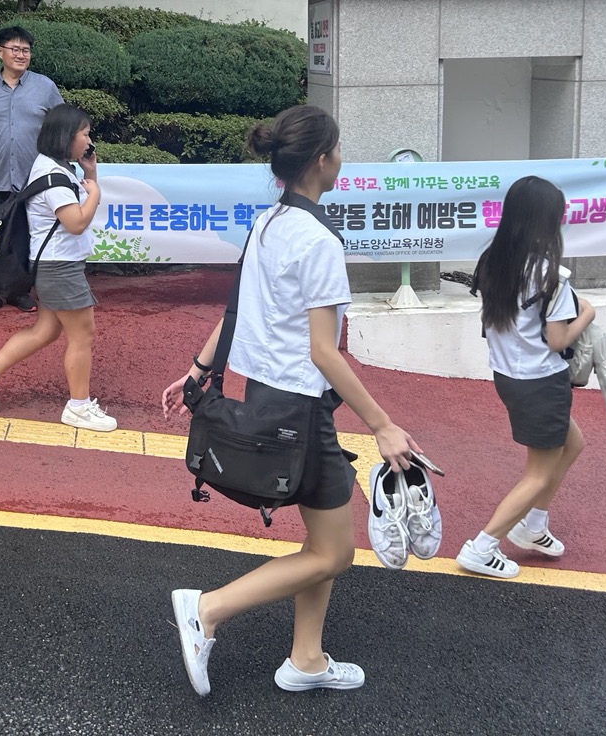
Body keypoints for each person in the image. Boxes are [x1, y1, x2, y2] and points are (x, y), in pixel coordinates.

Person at [160, 105, 421, 697]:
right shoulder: (319, 239)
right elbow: (325, 353)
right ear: (323, 160)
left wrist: (199, 370)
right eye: (339, 149)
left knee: (320, 544)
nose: (341, 159)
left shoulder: (268, 222)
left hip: (269, 397)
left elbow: (236, 313)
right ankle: (208, 609)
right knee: (337, 553)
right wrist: (384, 425)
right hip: (300, 409)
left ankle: (306, 659)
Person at [456, 176, 596, 580]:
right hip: (541, 380)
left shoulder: (494, 261)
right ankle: (483, 546)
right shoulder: (550, 276)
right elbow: (557, 341)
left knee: (573, 443)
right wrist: (587, 312)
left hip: (509, 376)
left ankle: (533, 526)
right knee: (537, 473)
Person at [0, 104, 116, 432]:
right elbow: (75, 222)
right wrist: (95, 192)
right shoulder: (54, 177)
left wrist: (90, 176)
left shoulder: (51, 166)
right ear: (66, 136)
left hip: (51, 266)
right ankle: (79, 407)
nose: (88, 140)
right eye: (84, 133)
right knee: (82, 334)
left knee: (45, 331)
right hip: (60, 268)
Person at [0, 25, 63, 316]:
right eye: (15, 49)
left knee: (24, 235)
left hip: (32, 178)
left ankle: (20, 291)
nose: (21, 55)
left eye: (26, 50)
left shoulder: (45, 87)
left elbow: (61, 126)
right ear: (0, 52)